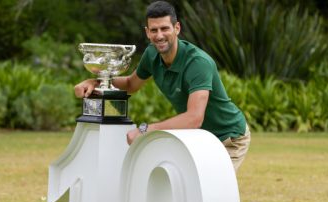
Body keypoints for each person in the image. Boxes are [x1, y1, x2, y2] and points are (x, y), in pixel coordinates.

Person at [74, 1, 251, 172]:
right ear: (147, 32)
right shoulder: (152, 55)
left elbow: (194, 118)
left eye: (165, 28)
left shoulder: (198, 63)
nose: (159, 35)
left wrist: (145, 130)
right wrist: (97, 81)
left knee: (210, 193)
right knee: (184, 189)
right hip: (199, 138)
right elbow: (130, 84)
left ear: (177, 28)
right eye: (154, 30)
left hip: (229, 137)